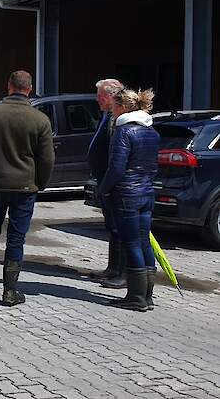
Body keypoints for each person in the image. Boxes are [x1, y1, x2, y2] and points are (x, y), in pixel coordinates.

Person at [0, 71, 54, 306]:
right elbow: (47, 159)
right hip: (25, 186)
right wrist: (40, 183)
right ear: (29, 88)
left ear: (8, 86)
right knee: (16, 239)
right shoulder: (39, 119)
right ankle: (9, 291)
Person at [97, 89, 159, 312]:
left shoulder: (123, 131)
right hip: (146, 192)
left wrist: (103, 189)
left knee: (131, 243)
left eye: (114, 107)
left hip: (126, 194)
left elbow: (116, 167)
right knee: (143, 241)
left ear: (123, 107)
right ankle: (147, 295)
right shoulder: (150, 131)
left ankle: (136, 297)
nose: (112, 111)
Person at [89, 78, 127, 288]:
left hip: (114, 182)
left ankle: (122, 273)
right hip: (104, 179)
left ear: (112, 96)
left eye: (100, 95)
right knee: (111, 227)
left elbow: (116, 156)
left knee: (119, 227)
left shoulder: (120, 121)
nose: (97, 99)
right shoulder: (107, 115)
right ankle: (113, 268)